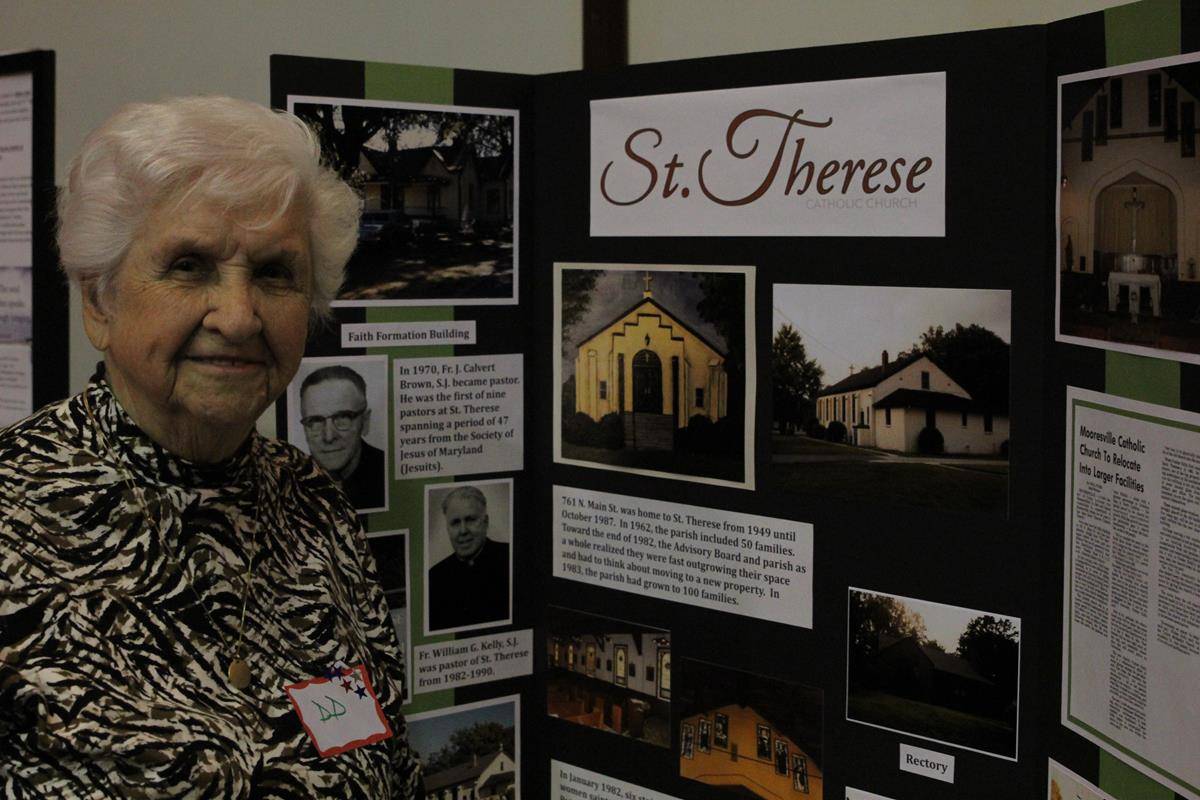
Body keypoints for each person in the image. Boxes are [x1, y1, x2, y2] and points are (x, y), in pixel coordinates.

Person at [0, 96, 419, 797]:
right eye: (189, 265)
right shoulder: (12, 514)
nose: (239, 316)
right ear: (99, 302)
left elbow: (391, 767)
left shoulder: (316, 508)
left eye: (274, 272)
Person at [300, 365, 386, 510]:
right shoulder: (292, 480)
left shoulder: (386, 473)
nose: (328, 436)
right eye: (315, 421)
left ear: (365, 422)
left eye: (343, 418)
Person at [426, 485, 511, 632]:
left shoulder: (510, 558)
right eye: (455, 523)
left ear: (485, 522)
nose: (463, 530)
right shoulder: (434, 578)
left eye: (470, 519)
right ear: (447, 528)